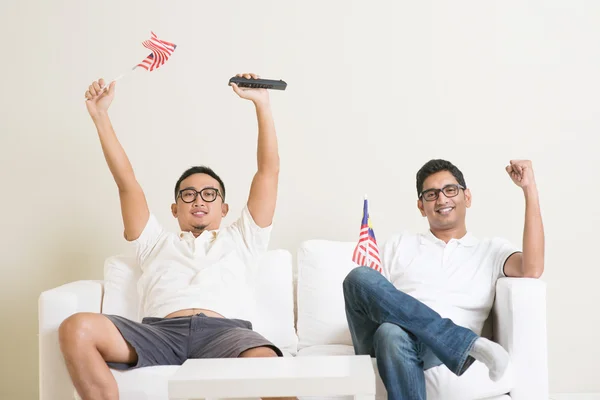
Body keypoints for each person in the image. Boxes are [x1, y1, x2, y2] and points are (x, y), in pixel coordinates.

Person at [59, 73, 284, 400]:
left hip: (226, 333)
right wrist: (100, 115)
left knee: (270, 366)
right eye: (188, 194)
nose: (198, 200)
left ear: (224, 209)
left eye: (209, 194)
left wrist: (262, 104)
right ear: (174, 209)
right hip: (157, 333)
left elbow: (269, 172)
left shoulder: (244, 239)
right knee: (75, 327)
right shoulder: (154, 242)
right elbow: (127, 183)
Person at [343, 159, 544, 400]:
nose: (441, 199)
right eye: (431, 194)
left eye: (450, 190)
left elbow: (532, 269)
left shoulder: (491, 250)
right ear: (421, 206)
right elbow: (369, 297)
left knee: (391, 333)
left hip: (432, 350)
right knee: (358, 278)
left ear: (467, 197)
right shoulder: (399, 244)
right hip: (377, 346)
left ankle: (454, 341)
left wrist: (529, 189)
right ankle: (466, 343)